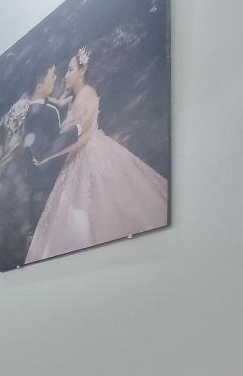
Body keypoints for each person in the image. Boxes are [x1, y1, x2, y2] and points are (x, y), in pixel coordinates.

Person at [25, 46, 169, 264]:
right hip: (75, 155)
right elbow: (61, 104)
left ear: (82, 71)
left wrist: (55, 152)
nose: (64, 75)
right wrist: (45, 100)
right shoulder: (73, 96)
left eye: (70, 70)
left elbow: (83, 138)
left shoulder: (88, 95)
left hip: (89, 151)